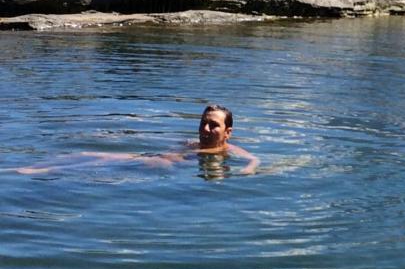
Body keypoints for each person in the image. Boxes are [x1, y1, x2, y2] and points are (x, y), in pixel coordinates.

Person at [14, 104, 260, 176]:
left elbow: (253, 159)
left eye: (213, 125)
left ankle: (40, 171)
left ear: (228, 131)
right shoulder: (194, 145)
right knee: (92, 153)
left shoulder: (229, 149)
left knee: (101, 163)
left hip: (160, 166)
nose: (205, 128)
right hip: (153, 159)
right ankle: (39, 165)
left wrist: (247, 171)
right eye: (202, 123)